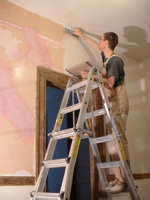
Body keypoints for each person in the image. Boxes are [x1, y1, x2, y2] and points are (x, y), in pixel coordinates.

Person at [73, 28, 130, 194]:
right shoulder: (107, 58)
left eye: (101, 40)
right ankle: (120, 177)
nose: (99, 42)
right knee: (112, 144)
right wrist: (82, 35)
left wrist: (91, 75)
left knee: (118, 143)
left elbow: (111, 84)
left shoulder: (115, 61)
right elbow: (97, 48)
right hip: (112, 104)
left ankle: (124, 180)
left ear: (106, 42)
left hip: (118, 103)